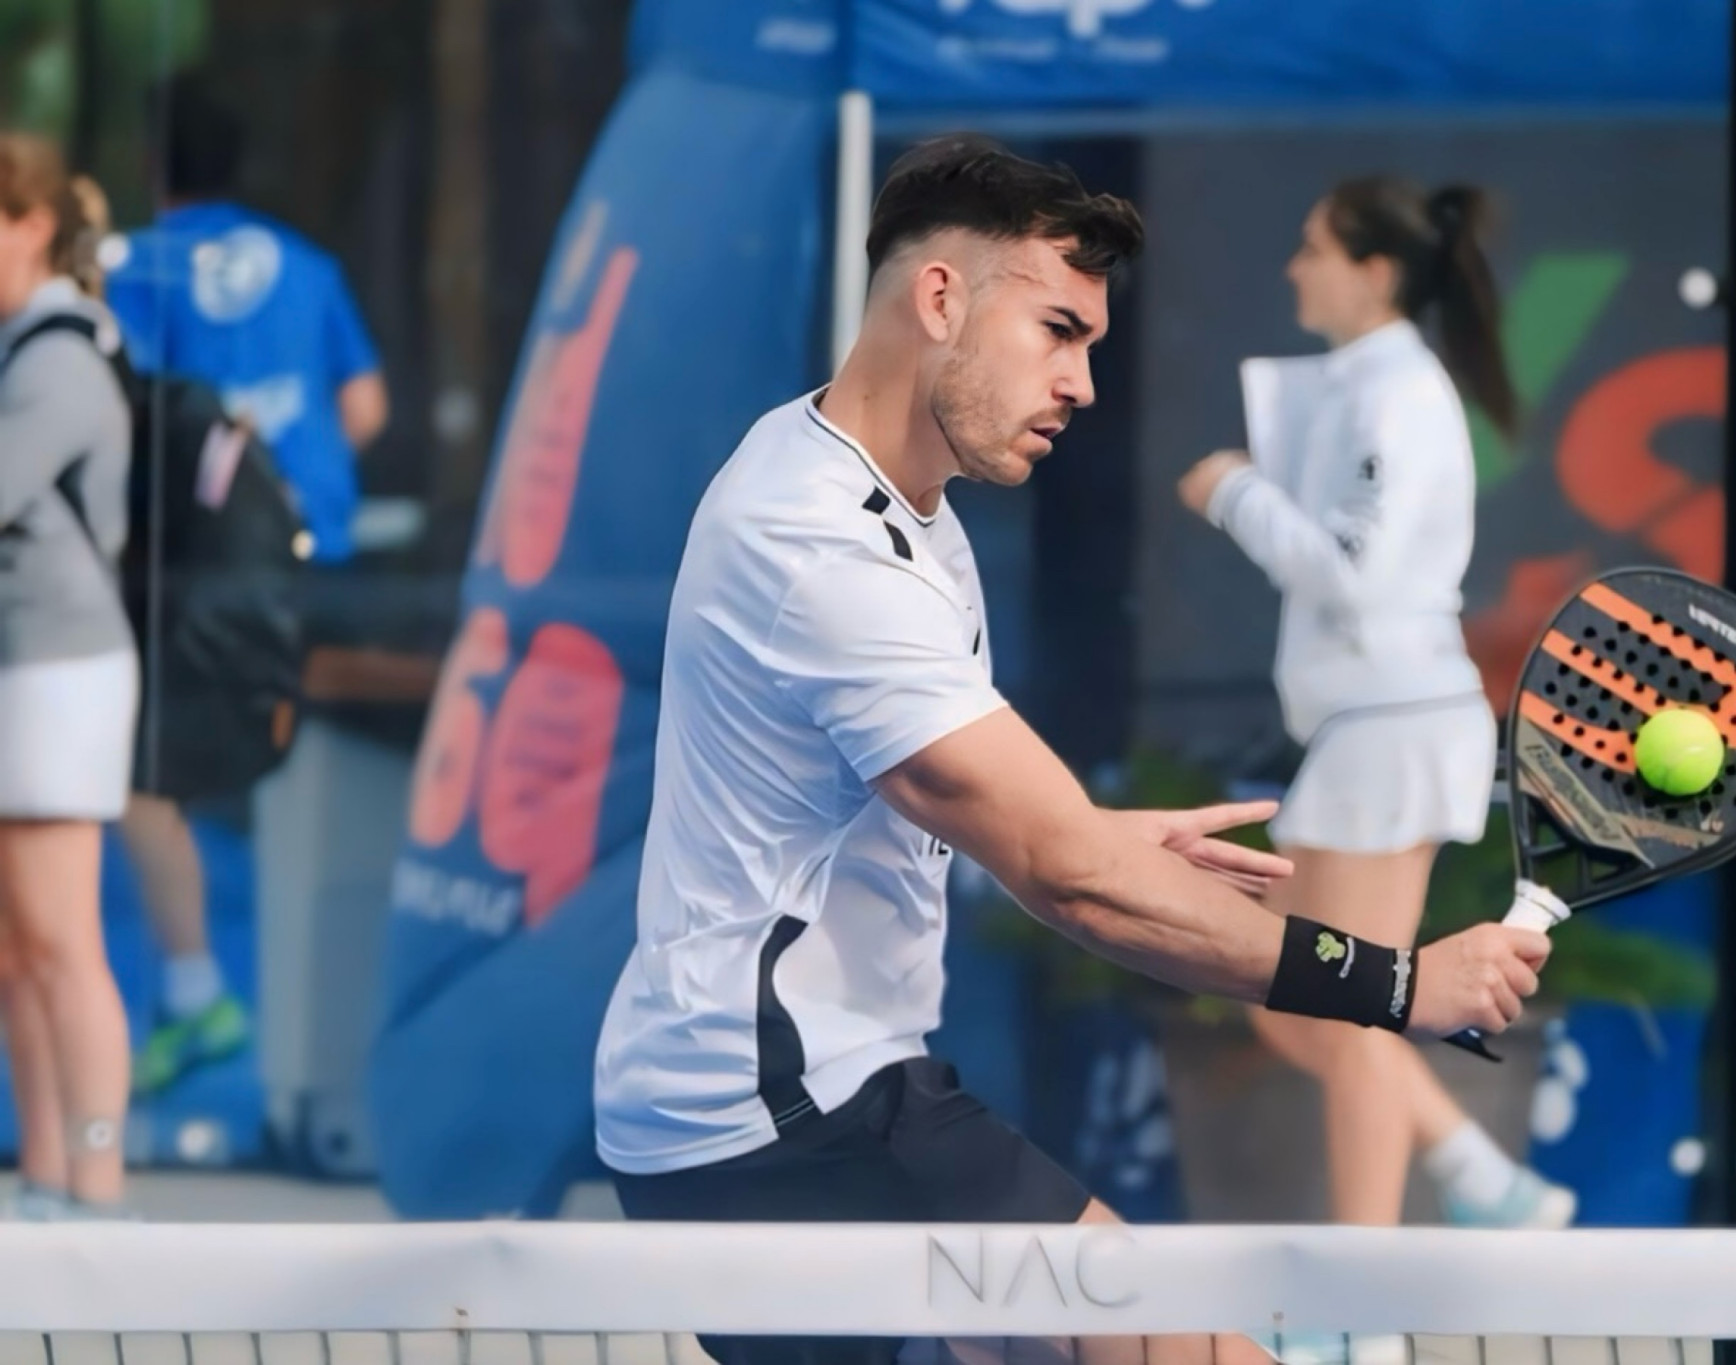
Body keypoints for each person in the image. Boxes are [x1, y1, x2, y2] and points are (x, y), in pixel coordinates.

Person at [593, 136, 1550, 1365]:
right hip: (781, 1119)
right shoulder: (816, 542)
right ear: (939, 298)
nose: (1082, 384)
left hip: (804, 1097)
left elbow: (964, 814)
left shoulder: (883, 499)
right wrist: (1400, 985)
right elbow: (1067, 877)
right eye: (1056, 330)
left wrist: (1085, 836)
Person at [1177, 177, 1575, 1232]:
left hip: (1391, 728)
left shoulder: (1394, 392)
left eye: (1312, 248)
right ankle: (1482, 1179)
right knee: (1290, 1002)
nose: (1292, 268)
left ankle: (1368, 1284)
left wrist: (1232, 492)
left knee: (1347, 1009)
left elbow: (1349, 574)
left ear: (1375, 272)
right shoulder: (1375, 386)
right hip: (1373, 727)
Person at [103, 72, 388, 1095]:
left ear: (153, 165)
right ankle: (306, 1019)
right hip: (319, 558)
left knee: (144, 778)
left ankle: (196, 993)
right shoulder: (306, 265)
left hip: (211, 570)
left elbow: (125, 416)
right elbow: (365, 410)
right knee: (303, 769)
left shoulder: (136, 266)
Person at [0, 133, 139, 1219]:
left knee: (61, 938)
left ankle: (96, 1184)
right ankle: (47, 1173)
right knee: (20, 947)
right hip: (26, 666)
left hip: (60, 672)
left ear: (33, 224)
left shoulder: (58, 358)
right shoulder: (23, 349)